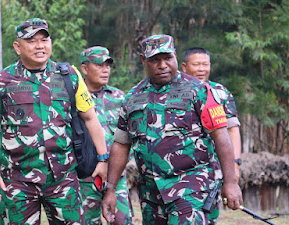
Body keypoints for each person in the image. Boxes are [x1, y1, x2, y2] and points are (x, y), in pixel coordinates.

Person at [0, 18, 108, 224]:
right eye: (32, 41)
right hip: (18, 181)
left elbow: (90, 118)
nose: (40, 46)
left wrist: (103, 158)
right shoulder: (1, 81)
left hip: (63, 178)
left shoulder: (69, 77)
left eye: (44, 40)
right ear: (18, 47)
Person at [101, 34, 243, 225]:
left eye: (167, 58)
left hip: (191, 188)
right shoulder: (133, 97)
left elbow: (221, 136)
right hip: (152, 194)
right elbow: (121, 144)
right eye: (154, 60)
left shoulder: (199, 91)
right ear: (144, 60)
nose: (162, 65)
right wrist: (110, 189)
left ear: (175, 55)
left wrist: (231, 182)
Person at [181, 47, 242, 224]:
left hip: (212, 168)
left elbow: (232, 129)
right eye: (196, 64)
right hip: (184, 167)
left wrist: (235, 164)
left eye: (205, 64)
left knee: (208, 215)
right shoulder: (174, 92)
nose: (201, 69)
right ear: (184, 67)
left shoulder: (220, 92)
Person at [79, 46, 134, 224]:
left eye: (108, 65)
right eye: (99, 65)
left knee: (122, 220)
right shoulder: (74, 99)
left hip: (115, 177)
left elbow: (128, 134)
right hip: (86, 178)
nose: (105, 70)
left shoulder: (118, 97)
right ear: (85, 69)